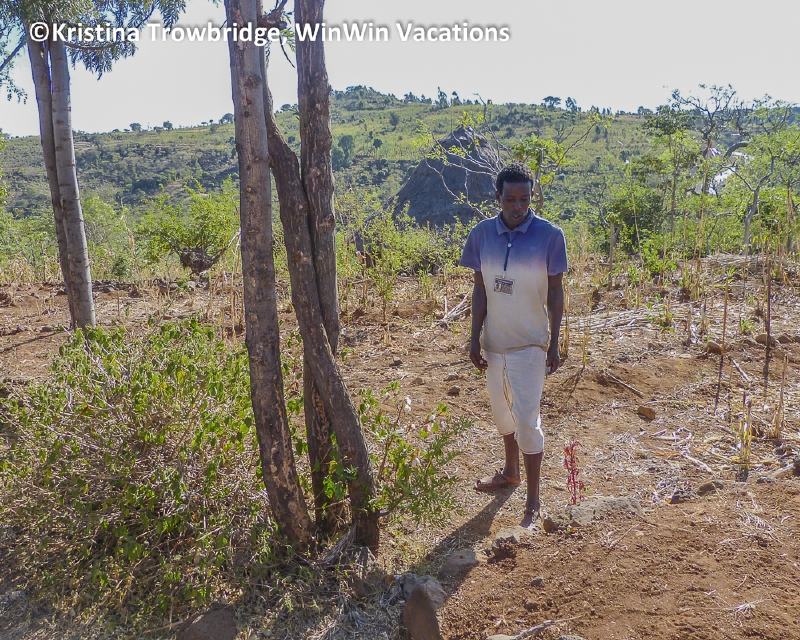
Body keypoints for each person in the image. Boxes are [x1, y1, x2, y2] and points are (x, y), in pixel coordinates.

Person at [459, 162, 567, 528]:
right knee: (501, 413)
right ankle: (510, 472)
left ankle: (533, 502)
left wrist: (553, 343)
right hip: (495, 342)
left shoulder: (550, 236)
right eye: (510, 199)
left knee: (527, 420)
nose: (518, 206)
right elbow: (480, 289)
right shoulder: (481, 235)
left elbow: (556, 292)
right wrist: (474, 338)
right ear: (498, 197)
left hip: (530, 343)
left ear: (532, 196)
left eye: (524, 199)